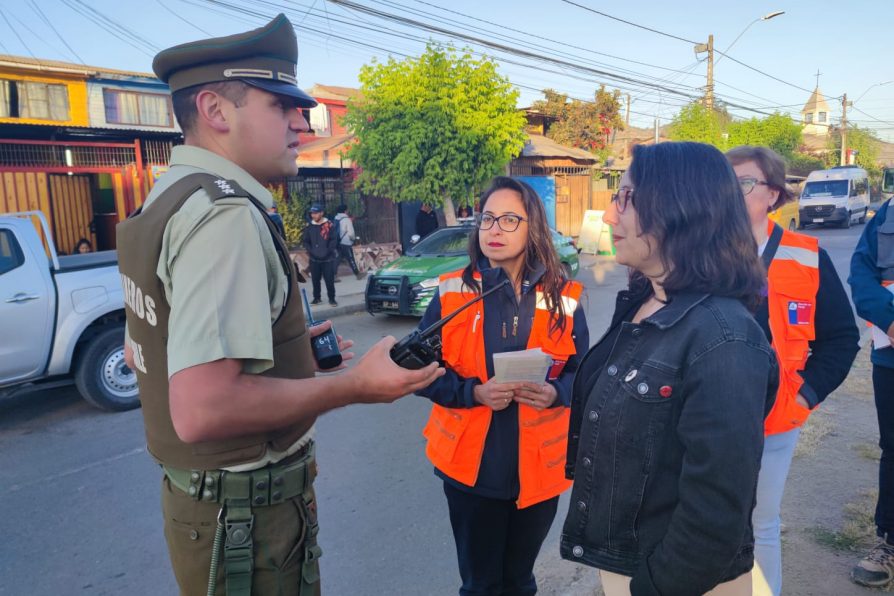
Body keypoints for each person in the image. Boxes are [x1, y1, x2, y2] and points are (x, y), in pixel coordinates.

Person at [115, 15, 443, 596]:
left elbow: (148, 346)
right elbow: (203, 409)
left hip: (209, 511)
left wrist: (290, 362)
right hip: (244, 525)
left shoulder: (168, 197)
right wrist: (355, 386)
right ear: (217, 112)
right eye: (281, 105)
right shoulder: (223, 216)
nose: (303, 121)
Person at [561, 142, 779, 595]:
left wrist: (651, 587)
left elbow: (714, 519)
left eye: (625, 198)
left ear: (679, 206)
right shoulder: (645, 302)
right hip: (632, 564)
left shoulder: (725, 338)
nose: (607, 216)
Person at [416, 176, 589, 596]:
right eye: (488, 218)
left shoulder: (563, 295)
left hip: (538, 473)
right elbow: (419, 370)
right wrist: (473, 392)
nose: (494, 228)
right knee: (480, 585)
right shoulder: (453, 292)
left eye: (510, 219)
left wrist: (555, 393)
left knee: (520, 581)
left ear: (534, 228)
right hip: (470, 473)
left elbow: (583, 374)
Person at [726, 146, 859, 595]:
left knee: (761, 522)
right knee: (711, 521)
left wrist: (804, 396)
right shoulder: (697, 255)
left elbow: (841, 339)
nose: (730, 193)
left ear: (774, 195)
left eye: (743, 183)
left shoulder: (806, 256)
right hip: (706, 420)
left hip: (775, 421)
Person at [849, 195, 894, 587]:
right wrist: (891, 321)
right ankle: (889, 542)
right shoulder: (888, 214)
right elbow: (860, 275)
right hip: (891, 356)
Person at [303, 204, 338, 306]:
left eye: (316, 213)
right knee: (315, 280)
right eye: (312, 213)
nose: (313, 215)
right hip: (314, 259)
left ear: (321, 213)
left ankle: (332, 299)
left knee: (329, 280)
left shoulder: (329, 225)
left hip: (327, 259)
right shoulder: (309, 226)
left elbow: (334, 240)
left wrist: (327, 252)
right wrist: (311, 251)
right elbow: (306, 241)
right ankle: (317, 298)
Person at [334, 204, 363, 279]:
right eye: (347, 210)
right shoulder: (346, 220)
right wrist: (354, 239)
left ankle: (333, 276)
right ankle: (358, 274)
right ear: (345, 211)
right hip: (346, 242)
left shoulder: (336, 218)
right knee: (351, 259)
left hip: (338, 242)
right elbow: (351, 233)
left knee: (337, 259)